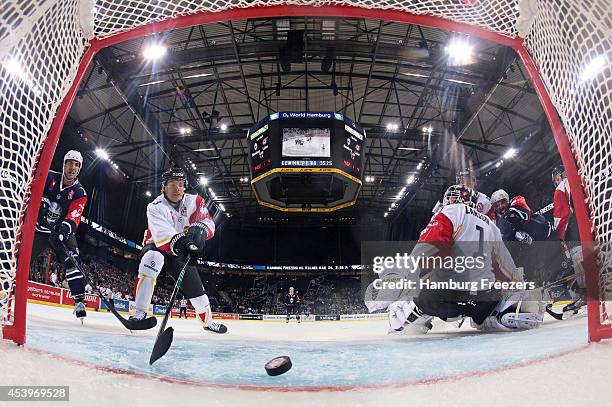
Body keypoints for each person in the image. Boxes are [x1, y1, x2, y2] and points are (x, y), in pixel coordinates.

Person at [368, 185, 542, 334]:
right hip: (482, 300)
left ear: (450, 201)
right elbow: (506, 268)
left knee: (415, 294)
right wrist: (517, 286)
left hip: (448, 298)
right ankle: (501, 312)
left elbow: (429, 251)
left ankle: (407, 322)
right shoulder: (491, 225)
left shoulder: (450, 212)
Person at [130, 167, 227, 334]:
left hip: (181, 252)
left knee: (198, 293)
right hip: (158, 246)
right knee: (152, 259)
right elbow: (162, 234)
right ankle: (139, 314)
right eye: (173, 184)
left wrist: (201, 231)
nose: (177, 189)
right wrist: (186, 243)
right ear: (163, 187)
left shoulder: (194, 201)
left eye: (181, 184)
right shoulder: (155, 206)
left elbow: (207, 221)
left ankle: (208, 322)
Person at [31, 150, 88, 321]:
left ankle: (79, 301)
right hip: (39, 229)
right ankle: (6, 289)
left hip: (60, 232)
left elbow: (75, 215)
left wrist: (64, 229)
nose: (73, 167)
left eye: (77, 165)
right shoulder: (49, 177)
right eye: (70, 163)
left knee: (73, 260)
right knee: (21, 257)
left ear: (79, 169)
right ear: (63, 164)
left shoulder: (79, 192)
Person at [551, 166, 585, 312]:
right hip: (584, 223)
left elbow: (560, 216)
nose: (557, 181)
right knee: (581, 261)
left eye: (557, 178)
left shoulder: (560, 189)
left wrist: (559, 235)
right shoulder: (576, 181)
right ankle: (581, 295)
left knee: (578, 261)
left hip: (573, 229)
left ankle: (584, 295)